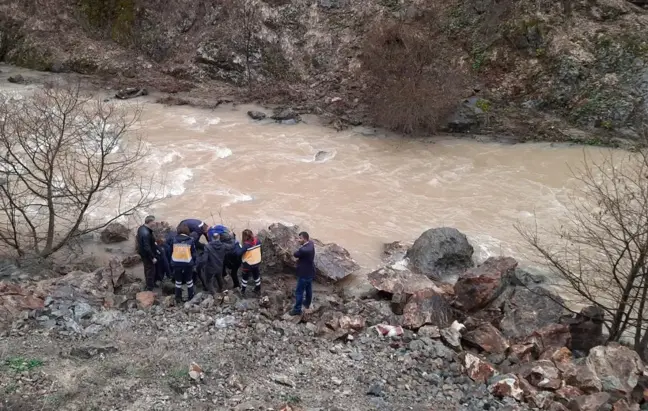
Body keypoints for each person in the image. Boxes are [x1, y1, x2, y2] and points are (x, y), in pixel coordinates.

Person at [200, 226, 237, 294]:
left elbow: (204, 259)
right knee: (219, 278)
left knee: (209, 282)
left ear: (211, 238)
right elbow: (232, 246)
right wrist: (232, 237)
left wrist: (200, 265)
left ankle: (215, 294)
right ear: (219, 237)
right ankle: (222, 290)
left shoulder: (207, 247)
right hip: (219, 266)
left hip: (210, 268)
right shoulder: (223, 246)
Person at [170, 222, 198, 303]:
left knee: (178, 281)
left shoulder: (174, 240)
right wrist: (194, 263)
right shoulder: (190, 240)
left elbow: (171, 251)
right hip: (187, 263)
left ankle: (178, 297)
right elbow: (194, 253)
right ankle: (191, 296)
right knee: (189, 280)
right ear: (187, 231)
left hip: (176, 262)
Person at [290, 231, 315, 316]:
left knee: (299, 292)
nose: (298, 240)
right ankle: (307, 303)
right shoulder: (311, 244)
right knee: (308, 289)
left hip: (303, 273)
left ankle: (297, 309)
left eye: (300, 238)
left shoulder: (303, 250)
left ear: (304, 239)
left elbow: (295, 254)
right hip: (310, 271)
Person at [212, 225, 242, 291]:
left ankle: (237, 285)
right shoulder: (235, 241)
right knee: (232, 271)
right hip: (238, 259)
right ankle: (236, 285)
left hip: (234, 260)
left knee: (232, 273)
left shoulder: (224, 246)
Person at [236, 229, 262, 296]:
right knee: (256, 275)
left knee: (245, 277)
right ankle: (258, 288)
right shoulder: (258, 241)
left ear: (244, 237)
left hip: (248, 264)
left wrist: (238, 246)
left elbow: (238, 253)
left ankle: (243, 290)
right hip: (257, 262)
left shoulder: (246, 246)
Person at [136, 215, 158, 291]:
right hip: (147, 255)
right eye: (154, 221)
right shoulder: (146, 233)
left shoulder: (141, 228)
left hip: (143, 253)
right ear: (150, 222)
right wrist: (153, 257)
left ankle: (150, 284)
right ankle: (150, 288)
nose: (155, 223)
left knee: (147, 269)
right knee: (150, 270)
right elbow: (147, 247)